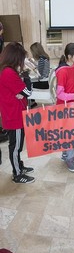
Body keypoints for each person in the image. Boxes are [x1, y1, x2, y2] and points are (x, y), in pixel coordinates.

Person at [0, 42, 35, 183]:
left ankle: (19, 166)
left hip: (16, 114)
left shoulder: (9, 71)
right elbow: (28, 91)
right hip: (14, 116)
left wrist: (22, 92)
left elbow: (24, 93)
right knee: (15, 147)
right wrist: (26, 75)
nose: (23, 62)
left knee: (18, 145)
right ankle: (17, 174)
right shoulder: (8, 72)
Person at [55, 43, 74, 172]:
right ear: (69, 56)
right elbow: (59, 94)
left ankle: (66, 154)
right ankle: (69, 158)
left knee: (70, 132)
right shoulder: (62, 71)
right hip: (64, 106)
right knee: (70, 134)